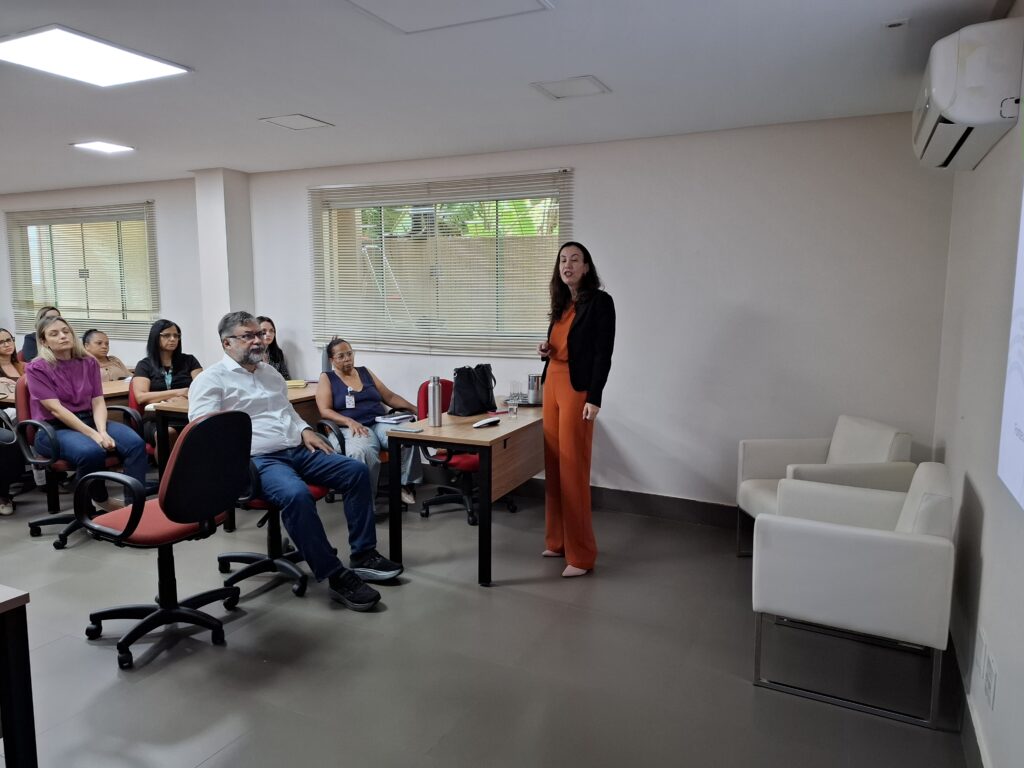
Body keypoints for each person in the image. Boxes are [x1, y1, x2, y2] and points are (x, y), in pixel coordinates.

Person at [188, 311, 403, 611]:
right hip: (258, 461)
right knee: (296, 494)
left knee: (355, 470)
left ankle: (364, 555)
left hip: (296, 451)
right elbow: (204, 433)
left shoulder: (270, 373)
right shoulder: (211, 380)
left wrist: (304, 430)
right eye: (247, 336)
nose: (257, 341)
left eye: (258, 334)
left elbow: (286, 412)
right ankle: (335, 575)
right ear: (227, 343)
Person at [537, 241, 615, 578]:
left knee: (573, 468)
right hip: (551, 383)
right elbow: (564, 344)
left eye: (574, 259)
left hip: (576, 388)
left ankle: (581, 555)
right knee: (553, 464)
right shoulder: (561, 304)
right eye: (562, 260)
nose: (567, 265)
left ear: (586, 267)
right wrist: (547, 349)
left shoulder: (600, 302)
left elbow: (602, 354)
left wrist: (594, 398)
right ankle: (557, 541)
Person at [25, 315, 148, 509]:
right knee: (91, 452)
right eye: (54, 334)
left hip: (90, 420)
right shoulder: (36, 368)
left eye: (66, 331)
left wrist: (102, 431)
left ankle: (134, 507)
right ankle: (91, 505)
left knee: (136, 444)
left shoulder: (89, 362)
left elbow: (97, 401)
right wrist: (94, 435)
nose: (63, 336)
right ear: (44, 341)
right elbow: (56, 410)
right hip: (53, 429)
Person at [316, 338, 422, 505]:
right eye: (341, 356)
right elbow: (325, 410)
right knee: (363, 451)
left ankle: (403, 485)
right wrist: (349, 421)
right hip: (349, 428)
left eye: (349, 354)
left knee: (408, 435)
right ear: (332, 360)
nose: (347, 359)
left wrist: (417, 409)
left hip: (378, 421)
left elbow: (389, 397)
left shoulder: (365, 372)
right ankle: (365, 503)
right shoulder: (327, 378)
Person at [133, 320, 202, 445]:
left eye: (176, 335)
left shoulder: (189, 361)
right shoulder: (144, 365)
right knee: (167, 433)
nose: (173, 339)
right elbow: (141, 397)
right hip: (156, 418)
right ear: (155, 337)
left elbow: (203, 389)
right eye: (166, 335)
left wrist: (184, 398)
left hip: (186, 414)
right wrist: (179, 392)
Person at [0, 328, 26, 515]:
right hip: (6, 412)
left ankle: (49, 477)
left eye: (9, 340)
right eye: (1, 342)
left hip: (28, 409)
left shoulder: (24, 366)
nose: (7, 344)